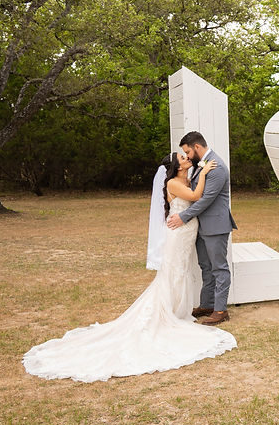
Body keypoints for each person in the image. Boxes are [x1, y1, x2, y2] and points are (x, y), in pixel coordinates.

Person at [22, 152, 236, 383]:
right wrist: (204, 172)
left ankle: (177, 309)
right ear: (176, 166)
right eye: (182, 157)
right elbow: (196, 196)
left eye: (186, 155)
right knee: (172, 273)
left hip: (187, 233)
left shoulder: (187, 176)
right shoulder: (174, 182)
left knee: (181, 272)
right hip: (178, 233)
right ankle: (166, 313)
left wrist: (200, 173)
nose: (186, 158)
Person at [166, 131, 237, 326]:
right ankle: (207, 304)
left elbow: (205, 200)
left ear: (197, 147)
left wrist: (183, 216)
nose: (187, 156)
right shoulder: (201, 165)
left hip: (215, 225)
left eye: (188, 151)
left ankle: (221, 310)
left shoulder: (217, 167)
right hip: (200, 227)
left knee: (219, 268)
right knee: (205, 267)